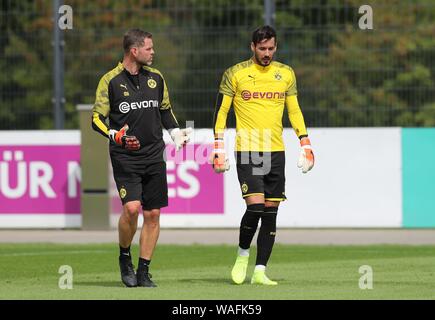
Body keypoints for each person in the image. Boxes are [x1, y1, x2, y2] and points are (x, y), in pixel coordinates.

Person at [211, 25, 315, 285]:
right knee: (255, 206)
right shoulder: (236, 73)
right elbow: (222, 112)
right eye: (262, 49)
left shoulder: (286, 73)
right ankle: (242, 255)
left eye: (271, 48)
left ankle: (260, 271)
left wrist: (305, 143)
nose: (267, 53)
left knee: (271, 212)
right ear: (252, 47)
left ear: (275, 47)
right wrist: (218, 146)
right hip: (248, 149)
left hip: (276, 151)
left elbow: (294, 111)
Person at [92, 29, 191, 288]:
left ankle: (144, 271)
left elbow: (165, 110)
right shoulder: (110, 81)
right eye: (149, 48)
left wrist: (175, 133)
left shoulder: (156, 78)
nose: (153, 52)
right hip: (125, 156)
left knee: (153, 213)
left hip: (154, 155)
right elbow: (96, 119)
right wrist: (117, 137)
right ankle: (125, 257)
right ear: (134, 51)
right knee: (132, 208)